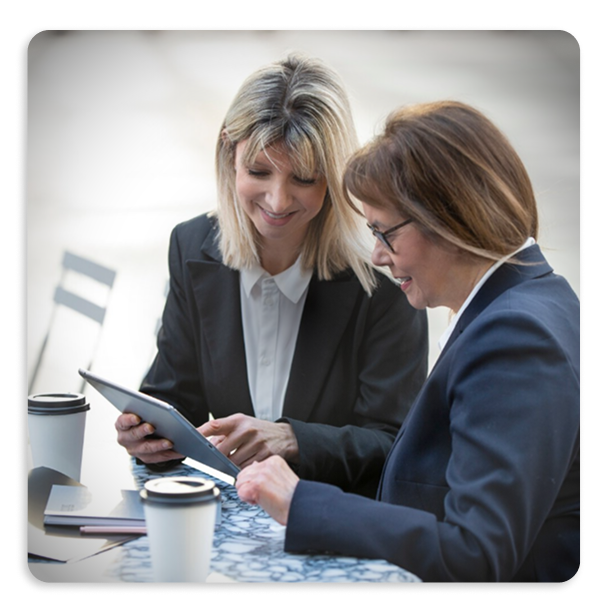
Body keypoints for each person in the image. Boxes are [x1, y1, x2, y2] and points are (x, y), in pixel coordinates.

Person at [235, 101, 581, 583]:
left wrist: (304, 505)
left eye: (384, 232)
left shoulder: (515, 338)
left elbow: (476, 553)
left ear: (449, 218)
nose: (376, 254)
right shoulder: (534, 297)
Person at [115, 54, 428, 497]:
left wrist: (294, 439)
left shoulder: (382, 276)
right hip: (226, 519)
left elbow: (398, 442)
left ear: (335, 176)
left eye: (304, 178)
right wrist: (145, 434)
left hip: (335, 521)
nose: (278, 202)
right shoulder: (191, 246)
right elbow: (173, 395)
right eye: (258, 172)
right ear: (230, 154)